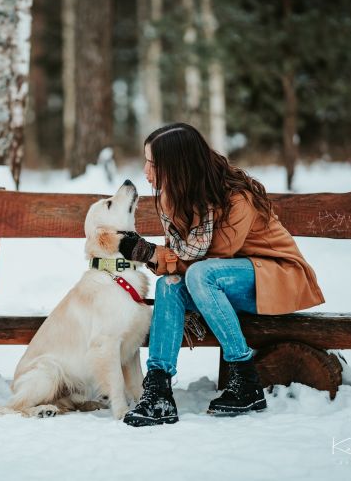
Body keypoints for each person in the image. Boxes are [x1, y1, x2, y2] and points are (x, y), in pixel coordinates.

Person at [118, 123, 325, 427]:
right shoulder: (172, 198)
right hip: (215, 283)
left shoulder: (236, 198)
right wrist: (156, 257)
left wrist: (153, 255)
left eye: (154, 163)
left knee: (200, 274)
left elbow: (212, 258)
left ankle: (245, 379)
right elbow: (183, 260)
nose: (146, 171)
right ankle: (159, 390)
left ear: (178, 165)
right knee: (169, 284)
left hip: (273, 277)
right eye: (146, 161)